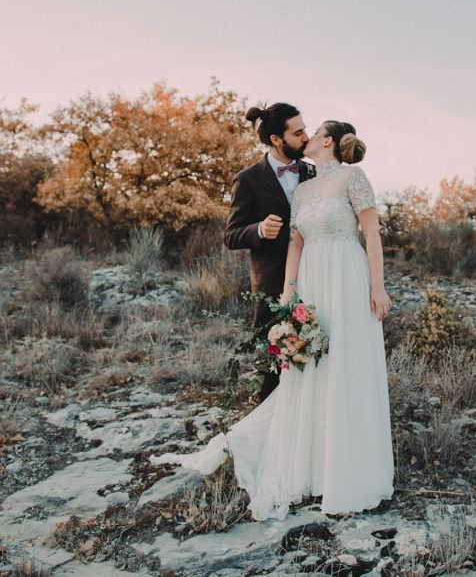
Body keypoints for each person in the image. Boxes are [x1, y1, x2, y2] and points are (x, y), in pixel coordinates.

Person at [150, 120, 395, 521]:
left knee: (346, 365)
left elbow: (372, 234)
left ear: (327, 141)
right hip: (314, 280)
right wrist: (288, 295)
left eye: (312, 133)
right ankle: (310, 464)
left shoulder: (354, 177)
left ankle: (349, 470)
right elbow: (296, 244)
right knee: (312, 367)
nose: (307, 138)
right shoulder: (303, 190)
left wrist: (377, 286)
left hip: (347, 279)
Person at [223, 103, 315, 402]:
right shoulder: (248, 179)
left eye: (305, 129)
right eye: (298, 132)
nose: (306, 137)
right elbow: (231, 235)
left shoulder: (313, 171)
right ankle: (269, 434)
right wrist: (260, 230)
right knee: (273, 364)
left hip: (316, 276)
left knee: (315, 354)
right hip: (273, 285)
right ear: (277, 139)